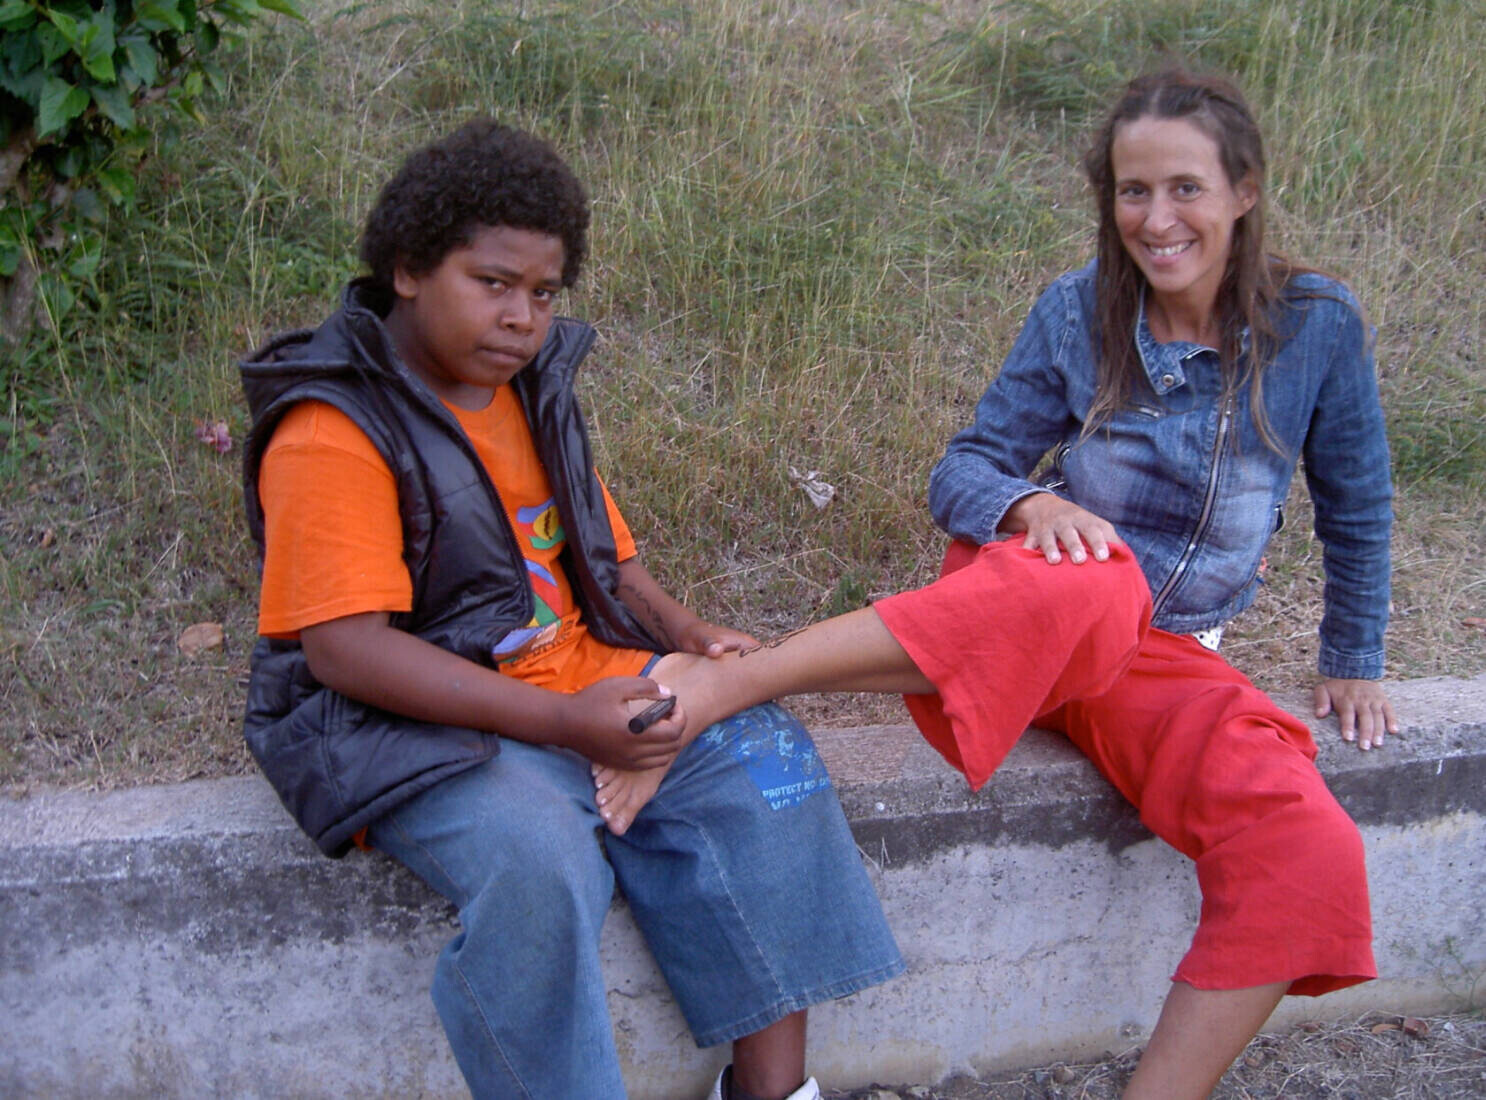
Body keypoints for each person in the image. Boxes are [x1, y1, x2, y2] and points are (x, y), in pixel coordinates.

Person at [597, 69, 1391, 1099]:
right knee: (1099, 582)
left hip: (1162, 661)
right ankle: (729, 683)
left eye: (1184, 188)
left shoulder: (1317, 325)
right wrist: (1030, 508)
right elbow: (961, 469)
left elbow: (1357, 498)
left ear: (1243, 188)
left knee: (1307, 841)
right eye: (1131, 190)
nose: (1155, 219)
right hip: (1030, 599)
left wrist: (1354, 657)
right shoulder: (1078, 311)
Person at [238, 120, 914, 1100]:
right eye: (493, 281)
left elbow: (599, 550)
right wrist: (563, 724)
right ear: (408, 269)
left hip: (572, 681)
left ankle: (772, 1087)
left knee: (760, 753)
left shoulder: (527, 389)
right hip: (414, 723)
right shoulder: (334, 425)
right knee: (542, 860)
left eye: (543, 293)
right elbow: (344, 651)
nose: (521, 316)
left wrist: (682, 632)